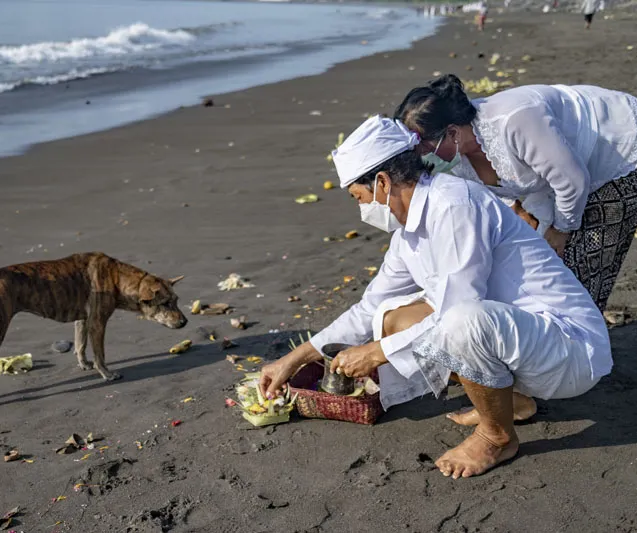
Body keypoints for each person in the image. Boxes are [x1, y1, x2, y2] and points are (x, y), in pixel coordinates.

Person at [259, 115, 611, 478]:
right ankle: (513, 401)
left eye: (358, 197)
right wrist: (293, 360)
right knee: (392, 318)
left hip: (568, 349)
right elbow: (369, 308)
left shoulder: (455, 205)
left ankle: (497, 437)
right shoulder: (408, 233)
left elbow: (460, 311)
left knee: (460, 321)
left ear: (382, 182)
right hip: (520, 340)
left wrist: (377, 352)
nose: (361, 208)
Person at [395, 74, 637, 312]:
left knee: (583, 261)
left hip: (622, 142)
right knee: (539, 265)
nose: (424, 156)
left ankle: (585, 341)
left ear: (453, 133)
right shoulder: (455, 158)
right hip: (562, 172)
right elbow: (497, 199)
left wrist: (560, 231)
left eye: (425, 147)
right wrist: (520, 213)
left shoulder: (515, 120)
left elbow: (572, 181)